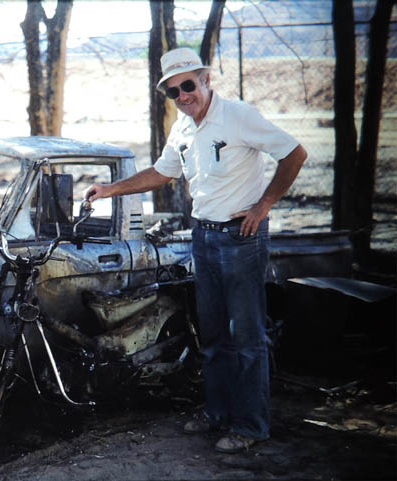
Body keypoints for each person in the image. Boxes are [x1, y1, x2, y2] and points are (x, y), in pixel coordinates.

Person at [84, 47, 307, 454]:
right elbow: (162, 172)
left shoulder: (239, 116)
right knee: (213, 334)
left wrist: (264, 205)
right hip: (202, 238)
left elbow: (294, 153)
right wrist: (111, 189)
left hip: (242, 237)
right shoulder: (183, 129)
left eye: (189, 85)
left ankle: (251, 425)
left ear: (206, 80)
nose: (184, 96)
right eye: (174, 91)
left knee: (247, 336)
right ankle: (218, 412)